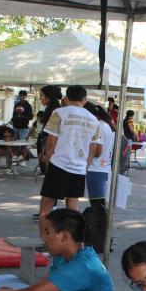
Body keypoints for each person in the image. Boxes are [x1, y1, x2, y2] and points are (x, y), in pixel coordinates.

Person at [39, 85, 100, 235]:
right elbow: (93, 149)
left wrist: (47, 162)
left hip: (59, 164)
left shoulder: (59, 113)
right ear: (84, 99)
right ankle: (75, 243)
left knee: (46, 207)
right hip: (79, 168)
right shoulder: (93, 119)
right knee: (73, 208)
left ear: (66, 98)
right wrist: (84, 166)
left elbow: (51, 141)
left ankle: (45, 240)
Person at [82, 101, 116, 205]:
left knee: (97, 203)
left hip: (95, 168)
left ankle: (100, 221)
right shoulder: (106, 124)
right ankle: (101, 220)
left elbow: (97, 152)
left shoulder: (99, 127)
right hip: (103, 167)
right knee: (99, 202)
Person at [33, 85, 62, 169]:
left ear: (49, 96)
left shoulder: (55, 111)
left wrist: (46, 153)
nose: (40, 98)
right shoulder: (51, 109)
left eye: (42, 95)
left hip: (48, 145)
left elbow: (51, 134)